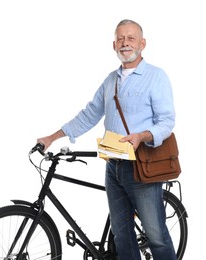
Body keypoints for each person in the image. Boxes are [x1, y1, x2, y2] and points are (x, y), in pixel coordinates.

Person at [36, 19, 177, 260]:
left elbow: (166, 121)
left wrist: (142, 136)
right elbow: (90, 114)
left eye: (131, 38)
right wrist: (52, 137)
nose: (125, 43)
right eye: (120, 38)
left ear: (143, 43)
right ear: (114, 45)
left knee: (156, 235)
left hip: (142, 165)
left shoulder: (156, 76)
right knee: (122, 235)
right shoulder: (110, 80)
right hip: (114, 166)